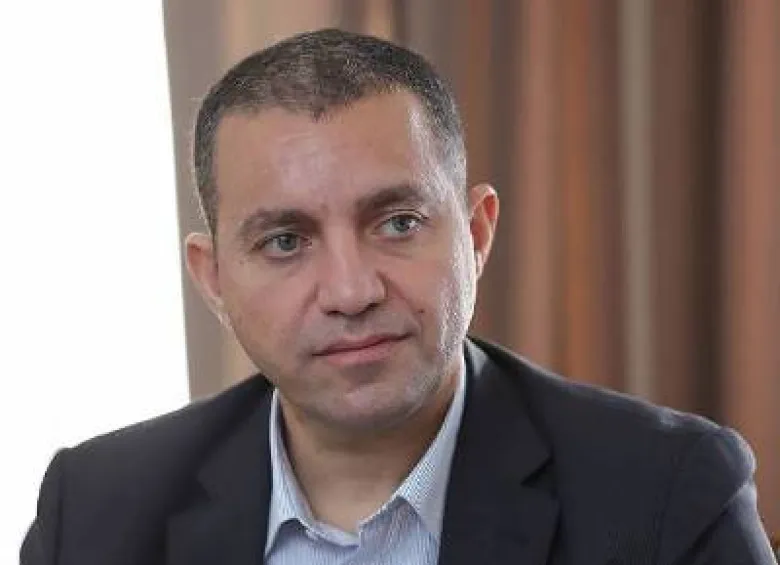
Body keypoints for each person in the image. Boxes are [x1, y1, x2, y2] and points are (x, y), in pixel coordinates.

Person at [21, 28, 776, 565]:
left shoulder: (667, 497)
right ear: (213, 279)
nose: (351, 292)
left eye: (398, 223)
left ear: (476, 233)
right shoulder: (91, 511)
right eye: (284, 241)